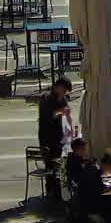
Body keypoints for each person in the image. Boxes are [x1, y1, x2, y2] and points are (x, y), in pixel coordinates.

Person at [38, 77, 74, 205]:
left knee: (61, 163)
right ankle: (52, 192)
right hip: (48, 137)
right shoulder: (46, 98)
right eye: (63, 90)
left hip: (60, 137)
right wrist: (61, 112)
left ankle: (60, 190)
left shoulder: (62, 100)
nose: (64, 94)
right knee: (51, 165)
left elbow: (66, 116)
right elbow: (48, 116)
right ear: (58, 87)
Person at [65, 138, 103, 220]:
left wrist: (88, 164)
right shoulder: (73, 160)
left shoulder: (75, 157)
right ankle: (93, 212)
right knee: (97, 187)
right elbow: (79, 176)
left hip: (81, 182)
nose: (85, 151)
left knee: (97, 181)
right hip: (80, 185)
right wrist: (89, 166)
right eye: (84, 149)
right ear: (78, 149)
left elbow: (82, 169)